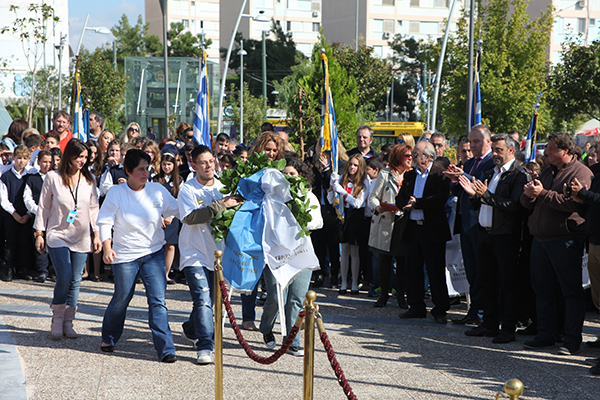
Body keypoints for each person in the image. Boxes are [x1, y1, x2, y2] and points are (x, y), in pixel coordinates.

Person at [98, 149, 179, 363]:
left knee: (158, 301)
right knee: (122, 297)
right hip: (124, 255)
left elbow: (179, 209)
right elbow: (105, 221)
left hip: (153, 253)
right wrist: (107, 248)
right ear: (128, 171)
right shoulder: (116, 193)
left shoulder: (157, 190)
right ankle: (109, 336)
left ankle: (166, 349)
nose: (145, 173)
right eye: (140, 170)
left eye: (147, 168)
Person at [520, 133, 593, 355]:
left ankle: (571, 340)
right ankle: (546, 334)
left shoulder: (581, 172)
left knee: (570, 291)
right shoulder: (546, 170)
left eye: (551, 149)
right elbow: (527, 203)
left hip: (565, 239)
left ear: (567, 151)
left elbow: (574, 204)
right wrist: (530, 194)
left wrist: (543, 193)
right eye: (547, 149)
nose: (546, 152)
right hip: (541, 239)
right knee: (542, 290)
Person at [459, 134, 530, 343]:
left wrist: (485, 196)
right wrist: (473, 195)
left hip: (505, 236)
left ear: (511, 151)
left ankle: (507, 328)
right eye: (494, 150)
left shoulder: (519, 175)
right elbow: (480, 203)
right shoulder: (492, 172)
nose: (495, 154)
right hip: (485, 233)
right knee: (485, 281)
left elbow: (515, 207)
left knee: (507, 284)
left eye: (499, 150)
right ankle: (489, 324)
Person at [178, 145, 242, 364]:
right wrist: (220, 206)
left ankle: (190, 327)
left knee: (211, 302)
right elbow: (191, 217)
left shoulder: (224, 187)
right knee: (203, 299)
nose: (208, 166)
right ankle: (205, 345)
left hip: (218, 255)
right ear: (194, 165)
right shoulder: (188, 189)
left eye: (211, 161)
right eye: (202, 162)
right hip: (193, 252)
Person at [34, 139, 102, 339]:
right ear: (69, 157)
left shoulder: (89, 180)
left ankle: (68, 321)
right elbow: (43, 207)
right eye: (78, 157)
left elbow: (93, 208)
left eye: (85, 157)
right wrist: (39, 233)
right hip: (57, 234)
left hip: (81, 236)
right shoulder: (53, 178)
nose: (82, 161)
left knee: (75, 280)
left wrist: (97, 233)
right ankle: (56, 318)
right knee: (63, 276)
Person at [260, 157, 323, 356]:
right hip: (277, 254)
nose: (287, 177)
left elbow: (316, 222)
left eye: (292, 174)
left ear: (301, 176)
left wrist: (298, 217)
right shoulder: (272, 197)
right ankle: (266, 328)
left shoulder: (308, 197)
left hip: (300, 253)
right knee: (275, 298)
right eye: (284, 174)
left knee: (296, 298)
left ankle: (292, 339)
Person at [444, 124, 494, 326]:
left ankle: (483, 312)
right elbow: (460, 191)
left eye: (477, 142)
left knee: (482, 270)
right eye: (471, 142)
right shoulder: (471, 162)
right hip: (465, 223)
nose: (472, 146)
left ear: (488, 142)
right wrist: (455, 181)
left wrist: (461, 176)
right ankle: (474, 310)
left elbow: (480, 186)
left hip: (479, 223)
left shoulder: (490, 162)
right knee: (472, 270)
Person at [396, 140, 451, 324]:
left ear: (427, 157)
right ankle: (416, 306)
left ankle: (440, 308)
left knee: (435, 270)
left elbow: (439, 200)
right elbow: (400, 197)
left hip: (432, 230)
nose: (412, 158)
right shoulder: (411, 175)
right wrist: (406, 204)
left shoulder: (439, 175)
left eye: (416, 155)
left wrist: (417, 203)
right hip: (413, 228)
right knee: (413, 269)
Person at [369, 144, 412, 308]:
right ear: (398, 157)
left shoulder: (412, 175)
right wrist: (377, 207)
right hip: (387, 220)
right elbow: (373, 197)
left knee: (402, 261)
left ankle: (401, 295)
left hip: (404, 222)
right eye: (407, 156)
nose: (410, 159)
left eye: (411, 156)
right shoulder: (385, 174)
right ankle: (383, 296)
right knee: (384, 260)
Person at [328, 154, 368, 294]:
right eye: (350, 164)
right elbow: (330, 200)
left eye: (355, 165)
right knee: (344, 251)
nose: (352, 167)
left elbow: (358, 203)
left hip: (355, 217)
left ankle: (355, 282)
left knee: (354, 251)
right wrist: (332, 187)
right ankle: (343, 282)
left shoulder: (364, 182)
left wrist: (343, 192)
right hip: (342, 215)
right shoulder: (342, 179)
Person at [0, 146, 34, 281]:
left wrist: (27, 214)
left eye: (25, 158)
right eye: (19, 158)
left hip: (26, 214)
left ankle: (24, 269)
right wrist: (14, 213)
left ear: (28, 160)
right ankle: (8, 268)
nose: (21, 161)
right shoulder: (6, 176)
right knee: (10, 241)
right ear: (13, 158)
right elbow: (3, 198)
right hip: (11, 214)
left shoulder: (30, 176)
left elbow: (32, 196)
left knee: (25, 242)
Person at [153, 145, 182, 284]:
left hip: (173, 217)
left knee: (170, 246)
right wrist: (160, 216)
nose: (166, 167)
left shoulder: (179, 180)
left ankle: (166, 273)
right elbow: (152, 199)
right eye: (164, 164)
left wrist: (171, 216)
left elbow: (179, 200)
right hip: (158, 216)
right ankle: (156, 274)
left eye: (169, 164)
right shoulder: (155, 179)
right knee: (158, 245)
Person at [24, 149, 53, 283]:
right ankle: (42, 270)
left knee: (53, 242)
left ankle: (54, 270)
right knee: (40, 244)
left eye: (50, 162)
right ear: (39, 162)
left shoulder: (55, 178)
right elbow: (27, 198)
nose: (47, 165)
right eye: (45, 162)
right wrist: (38, 210)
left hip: (54, 217)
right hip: (38, 216)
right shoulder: (32, 179)